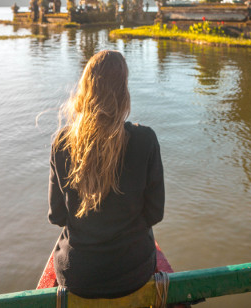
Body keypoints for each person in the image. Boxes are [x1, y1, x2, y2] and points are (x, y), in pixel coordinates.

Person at [48, 50, 164, 298]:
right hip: (134, 272)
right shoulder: (146, 140)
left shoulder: (62, 142)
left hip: (78, 275)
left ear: (85, 90)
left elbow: (56, 215)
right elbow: (155, 213)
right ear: (124, 93)